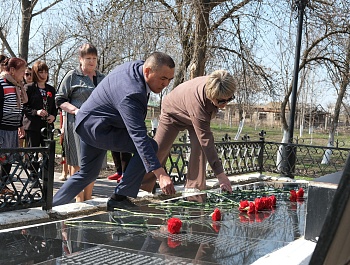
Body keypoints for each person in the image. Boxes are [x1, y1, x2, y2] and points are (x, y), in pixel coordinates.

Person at [52, 51, 176, 208]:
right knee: (150, 145)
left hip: (89, 122)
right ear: (147, 71)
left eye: (169, 79)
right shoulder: (132, 92)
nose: (165, 84)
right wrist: (161, 174)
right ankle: (119, 197)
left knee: (87, 173)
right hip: (99, 128)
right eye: (163, 78)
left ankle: (51, 206)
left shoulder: (138, 67)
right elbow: (138, 137)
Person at [140, 70, 235, 194]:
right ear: (211, 95)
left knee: (200, 148)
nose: (225, 104)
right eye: (221, 101)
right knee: (159, 149)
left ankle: (194, 189)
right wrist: (221, 175)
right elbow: (206, 140)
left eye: (230, 99)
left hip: (193, 113)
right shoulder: (198, 102)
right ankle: (142, 187)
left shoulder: (220, 83)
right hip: (173, 112)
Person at [55, 43, 105, 202]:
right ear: (80, 59)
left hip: (97, 127)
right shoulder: (72, 76)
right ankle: (78, 200)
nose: (91, 62)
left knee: (93, 164)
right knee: (78, 162)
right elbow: (60, 99)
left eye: (94, 58)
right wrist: (75, 110)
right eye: (88, 58)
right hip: (76, 124)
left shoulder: (103, 78)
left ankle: (88, 199)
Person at [0, 57, 28, 195]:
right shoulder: (2, 84)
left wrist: (20, 125)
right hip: (2, 128)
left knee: (8, 160)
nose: (24, 74)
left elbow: (20, 108)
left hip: (12, 129)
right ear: (12, 70)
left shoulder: (18, 86)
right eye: (22, 71)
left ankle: (3, 186)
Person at [23, 61, 57, 150]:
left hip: (47, 126)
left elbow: (55, 106)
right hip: (32, 126)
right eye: (41, 72)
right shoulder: (28, 88)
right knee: (33, 154)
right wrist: (36, 112)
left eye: (46, 72)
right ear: (35, 73)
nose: (44, 75)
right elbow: (24, 107)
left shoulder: (51, 89)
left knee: (48, 153)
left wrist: (53, 116)